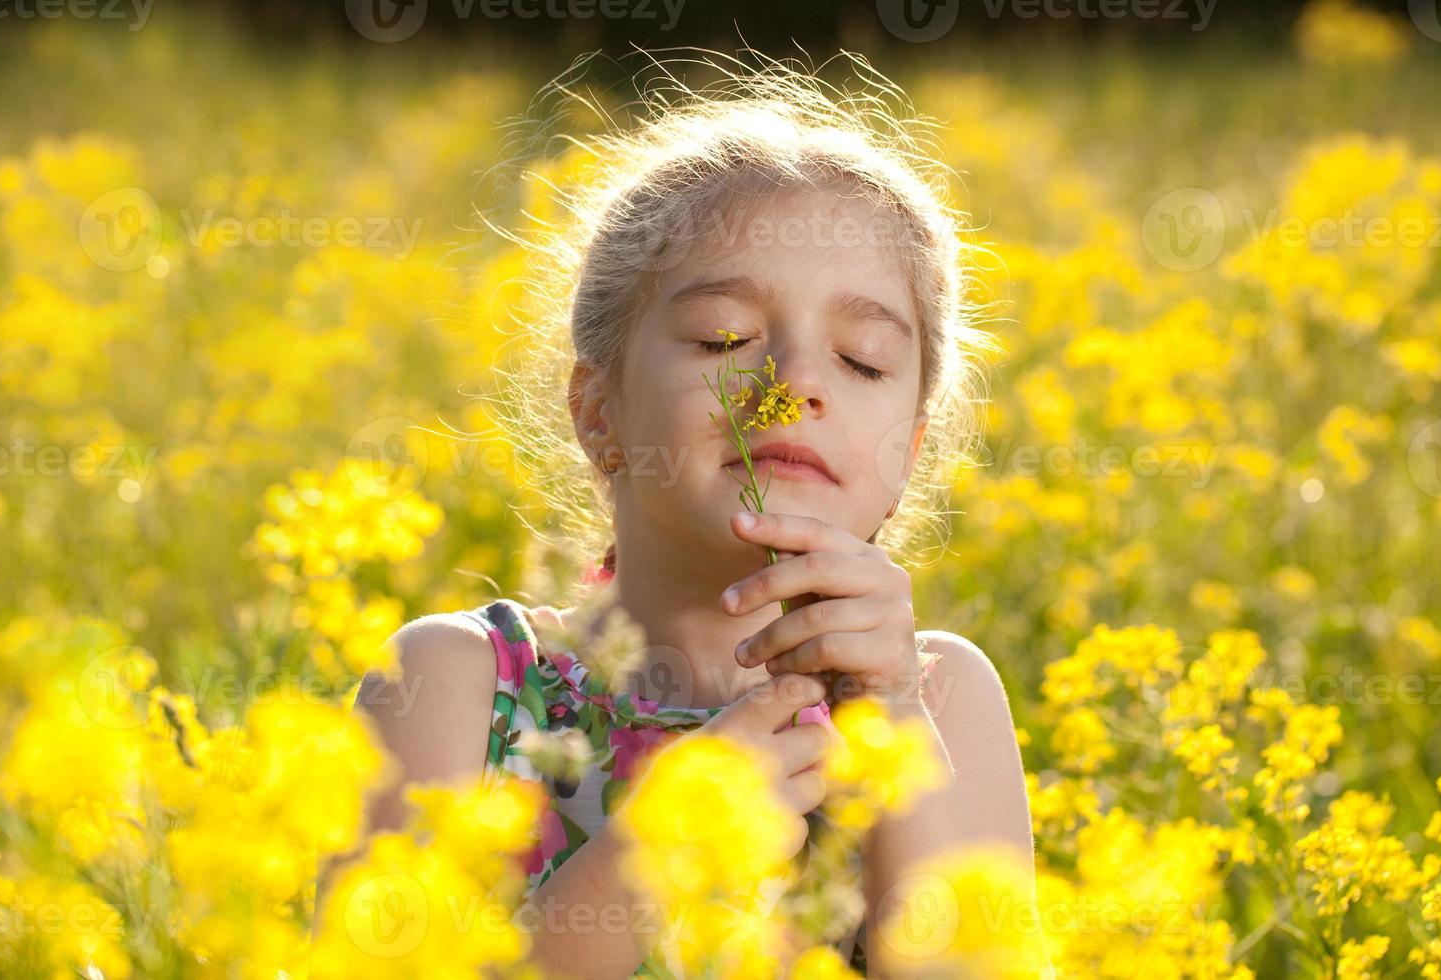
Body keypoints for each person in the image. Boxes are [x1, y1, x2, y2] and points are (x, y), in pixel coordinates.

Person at [333, 49, 1038, 978]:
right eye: (724, 339)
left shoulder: (942, 699)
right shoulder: (454, 687)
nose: (795, 387)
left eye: (863, 360)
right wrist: (661, 845)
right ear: (601, 413)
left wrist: (893, 720)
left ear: (907, 457)